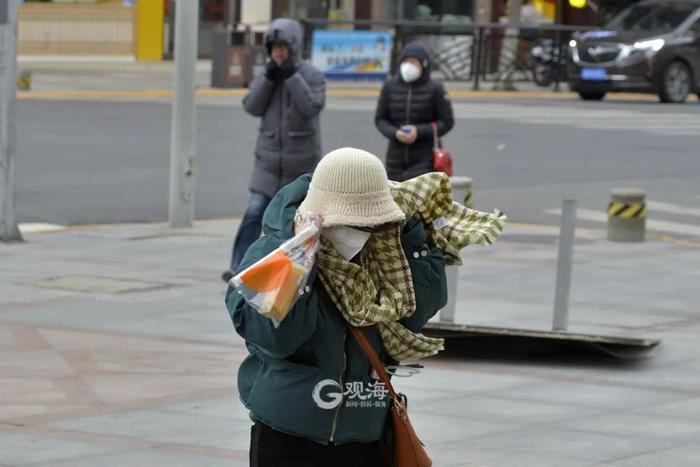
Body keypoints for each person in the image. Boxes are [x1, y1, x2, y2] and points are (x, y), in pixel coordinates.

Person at [226, 147, 507, 466]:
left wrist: (413, 240)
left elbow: (414, 317)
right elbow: (278, 339)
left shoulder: (389, 250)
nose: (361, 232)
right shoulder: (272, 252)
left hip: (365, 433)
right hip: (287, 432)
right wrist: (300, 260)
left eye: (368, 223)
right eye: (351, 223)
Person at [222, 18, 325, 283]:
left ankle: (298, 273)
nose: (278, 52)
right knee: (254, 213)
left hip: (299, 166)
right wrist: (268, 78)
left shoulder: (310, 75)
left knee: (298, 224)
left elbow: (312, 106)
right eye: (274, 47)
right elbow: (251, 106)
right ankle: (239, 267)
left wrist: (291, 76)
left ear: (294, 46)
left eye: (283, 47)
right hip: (267, 163)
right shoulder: (266, 74)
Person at [375, 41, 454, 182]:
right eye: (405, 62)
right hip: (395, 159)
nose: (408, 66)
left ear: (423, 65)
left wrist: (418, 131)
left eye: (413, 62)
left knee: (419, 200)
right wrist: (395, 133)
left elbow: (446, 122)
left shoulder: (435, 88)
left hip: (425, 158)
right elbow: (380, 119)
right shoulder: (390, 86)